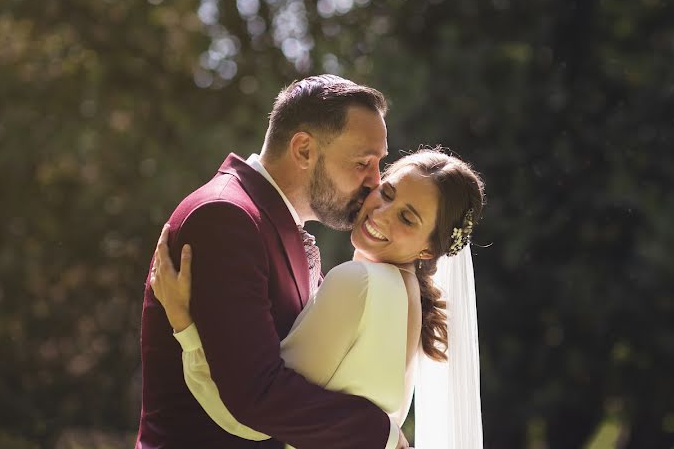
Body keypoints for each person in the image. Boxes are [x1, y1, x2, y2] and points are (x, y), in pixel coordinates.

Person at [135, 75, 409, 449]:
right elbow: (256, 392)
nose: (375, 181)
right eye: (363, 162)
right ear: (303, 150)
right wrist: (380, 435)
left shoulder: (273, 224)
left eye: (380, 163)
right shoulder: (225, 217)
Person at [151, 148, 486, 449]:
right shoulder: (409, 297)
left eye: (406, 218)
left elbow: (252, 415)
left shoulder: (360, 283)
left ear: (428, 248)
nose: (381, 214)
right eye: (386, 193)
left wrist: (184, 324)